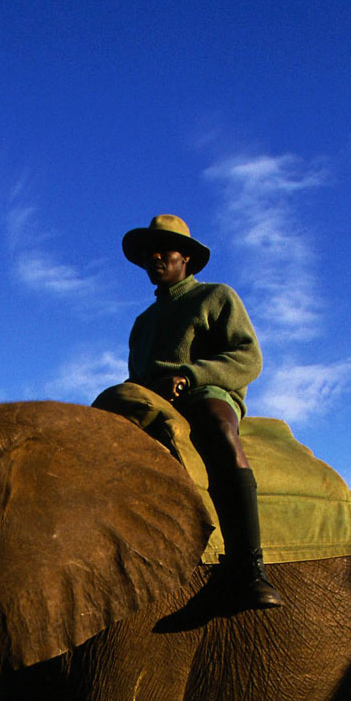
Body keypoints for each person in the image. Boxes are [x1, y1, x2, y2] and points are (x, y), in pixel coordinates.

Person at [122, 213, 283, 610]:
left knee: (218, 430)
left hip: (205, 393)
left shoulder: (215, 297)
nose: (154, 258)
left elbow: (248, 357)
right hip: (152, 404)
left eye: (164, 251)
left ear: (186, 259)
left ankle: (250, 569)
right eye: (148, 253)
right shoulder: (142, 323)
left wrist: (190, 376)